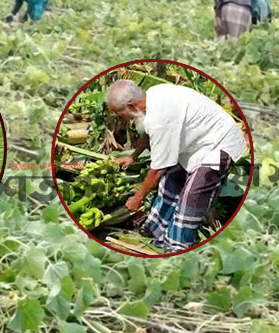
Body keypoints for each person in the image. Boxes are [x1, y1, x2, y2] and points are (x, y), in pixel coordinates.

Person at [106, 80, 248, 252]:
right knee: (171, 180)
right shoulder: (152, 95)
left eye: (121, 115)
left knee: (193, 195)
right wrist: (132, 156)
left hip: (221, 142)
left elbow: (157, 170)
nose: (123, 120)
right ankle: (155, 229)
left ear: (132, 106)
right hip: (198, 142)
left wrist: (137, 198)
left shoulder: (159, 119)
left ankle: (178, 245)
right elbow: (148, 133)